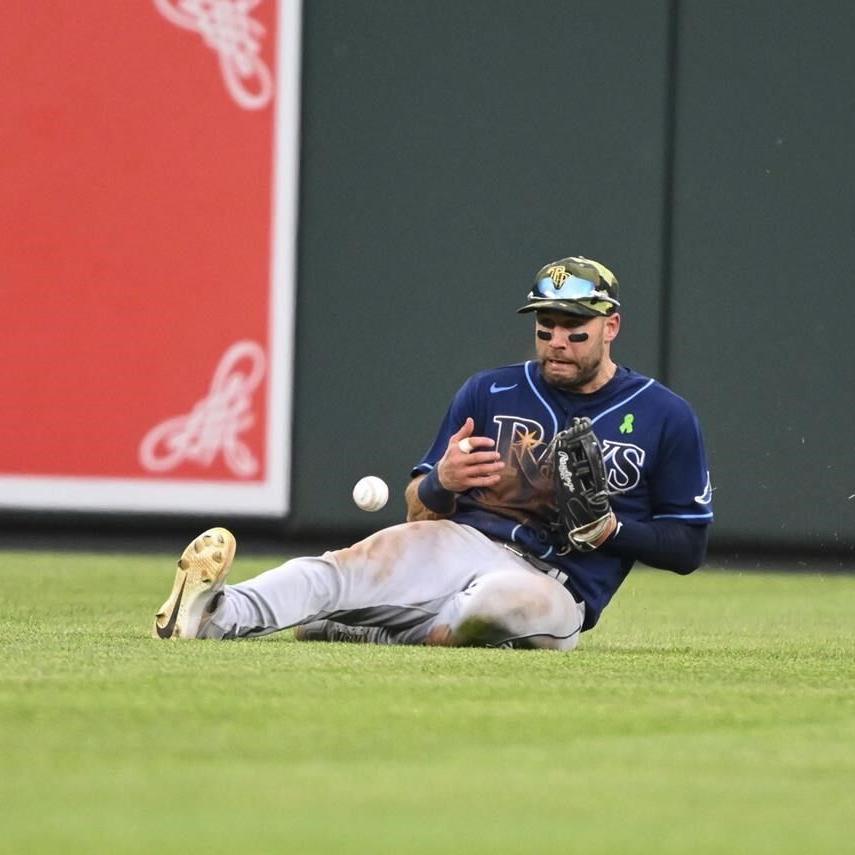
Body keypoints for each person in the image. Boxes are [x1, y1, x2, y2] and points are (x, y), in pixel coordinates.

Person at [153, 255, 713, 650]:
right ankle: (214, 615)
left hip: (559, 582)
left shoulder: (666, 416)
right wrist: (442, 480)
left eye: (575, 330)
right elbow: (418, 510)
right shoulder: (490, 391)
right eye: (546, 329)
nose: (558, 343)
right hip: (462, 540)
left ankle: (358, 627)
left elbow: (688, 547)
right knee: (337, 571)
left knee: (489, 608)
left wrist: (614, 532)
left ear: (610, 326)